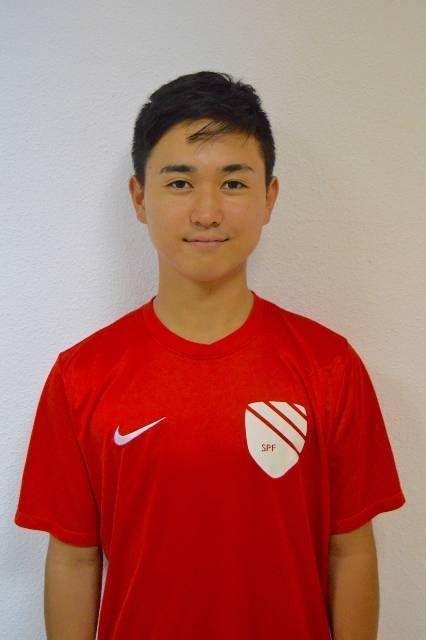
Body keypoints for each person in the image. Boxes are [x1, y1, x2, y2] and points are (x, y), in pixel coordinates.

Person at [14, 70, 406, 640]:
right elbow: (74, 560)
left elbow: (349, 550)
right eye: (179, 183)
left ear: (269, 197)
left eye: (233, 183)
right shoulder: (82, 376)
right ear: (139, 197)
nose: (206, 212)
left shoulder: (329, 366)